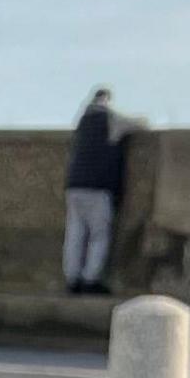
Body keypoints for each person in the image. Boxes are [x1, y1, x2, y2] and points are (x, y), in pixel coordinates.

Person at [63, 85, 136, 295]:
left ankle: (72, 279)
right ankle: (90, 279)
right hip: (97, 187)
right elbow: (140, 124)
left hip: (74, 185)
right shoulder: (111, 118)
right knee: (98, 235)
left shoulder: (82, 122)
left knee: (75, 234)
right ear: (107, 100)